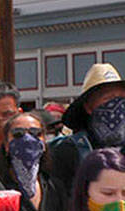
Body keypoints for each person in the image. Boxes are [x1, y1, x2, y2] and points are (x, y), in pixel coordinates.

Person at [50, 64, 125, 198]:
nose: (117, 106)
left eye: (121, 99)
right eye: (108, 99)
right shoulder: (68, 151)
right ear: (88, 106)